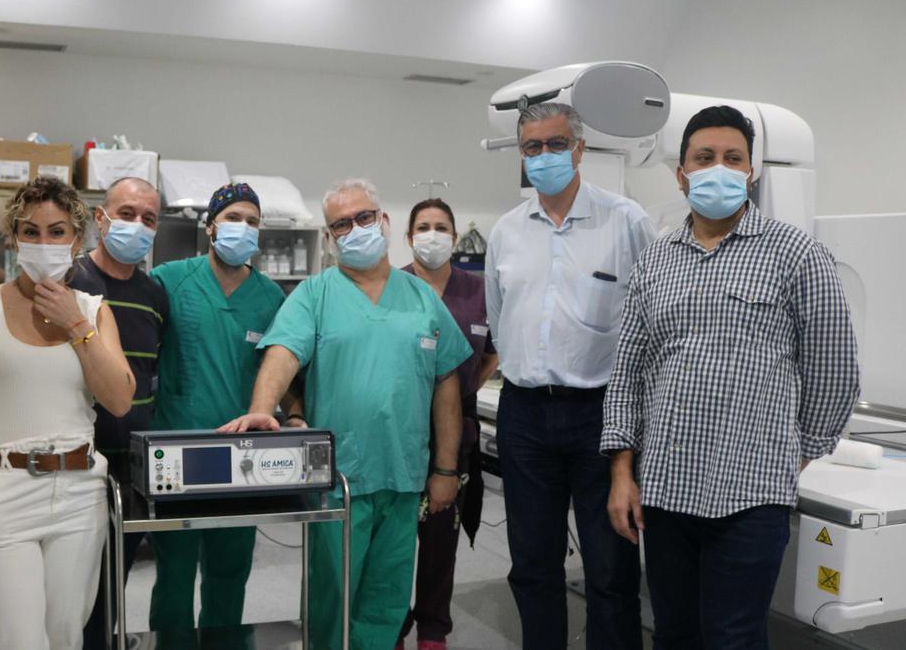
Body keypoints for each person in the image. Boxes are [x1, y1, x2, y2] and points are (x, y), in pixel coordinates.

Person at [601, 105, 860, 649]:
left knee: (733, 636)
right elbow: (626, 372)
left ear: (751, 171)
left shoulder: (797, 254)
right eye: (704, 157)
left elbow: (834, 368)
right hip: (667, 489)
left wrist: (796, 452)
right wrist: (623, 473)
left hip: (750, 495)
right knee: (673, 632)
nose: (718, 168)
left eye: (732, 158)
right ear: (682, 173)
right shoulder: (656, 262)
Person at [221, 179, 472, 650]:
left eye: (364, 218)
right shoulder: (316, 294)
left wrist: (445, 468)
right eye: (342, 223)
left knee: (387, 601)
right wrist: (261, 409)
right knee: (331, 601)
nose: (355, 228)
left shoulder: (421, 298)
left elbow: (446, 383)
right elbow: (281, 354)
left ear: (384, 222)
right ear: (331, 236)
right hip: (340, 481)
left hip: (403, 478)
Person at [484, 102, 655, 649]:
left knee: (610, 569)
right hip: (526, 414)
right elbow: (498, 316)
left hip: (601, 415)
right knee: (533, 565)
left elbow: (654, 317)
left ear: (579, 149)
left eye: (556, 144)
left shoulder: (626, 222)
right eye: (532, 147)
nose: (545, 156)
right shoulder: (506, 232)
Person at [0, 176, 135, 650]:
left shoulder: (93, 312)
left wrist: (75, 324)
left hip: (76, 495)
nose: (43, 242)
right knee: (16, 639)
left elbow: (118, 399)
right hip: (0, 492)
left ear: (76, 239)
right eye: (30, 231)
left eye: (56, 231)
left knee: (66, 636)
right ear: (13, 237)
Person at [146, 182, 292, 642]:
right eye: (233, 218)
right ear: (211, 227)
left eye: (252, 221)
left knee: (231, 568)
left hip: (241, 456)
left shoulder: (271, 298)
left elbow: (286, 371)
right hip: (178, 451)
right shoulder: (170, 281)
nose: (242, 228)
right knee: (174, 570)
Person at [70, 176, 168, 650]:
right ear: (99, 218)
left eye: (148, 219)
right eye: (127, 213)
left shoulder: (154, 295)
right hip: (75, 466)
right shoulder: (71, 282)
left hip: (131, 467)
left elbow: (153, 374)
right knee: (70, 593)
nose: (137, 226)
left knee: (111, 590)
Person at [396, 198, 498, 650]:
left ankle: (433, 629)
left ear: (455, 238)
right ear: (408, 236)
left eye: (440, 227)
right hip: (399, 434)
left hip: (456, 438)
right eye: (423, 226)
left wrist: (468, 384)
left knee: (440, 539)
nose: (431, 235)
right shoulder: (391, 286)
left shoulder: (478, 289)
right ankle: (391, 624)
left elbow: (495, 346)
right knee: (393, 542)